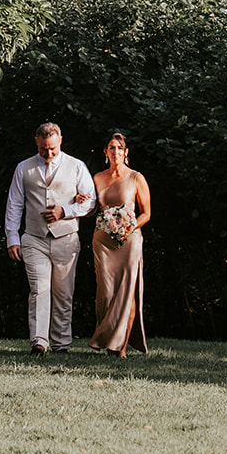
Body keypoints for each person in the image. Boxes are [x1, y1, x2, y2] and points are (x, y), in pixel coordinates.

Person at [5, 122, 96, 354]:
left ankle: (61, 344)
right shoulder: (23, 168)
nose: (49, 153)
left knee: (63, 293)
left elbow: (91, 202)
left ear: (61, 141)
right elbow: (14, 204)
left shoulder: (76, 166)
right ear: (36, 142)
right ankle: (39, 342)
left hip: (66, 237)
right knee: (39, 290)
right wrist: (12, 238)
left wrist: (65, 211)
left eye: (53, 148)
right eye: (44, 148)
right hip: (34, 237)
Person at [86, 132, 149, 356]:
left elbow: (146, 213)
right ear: (105, 152)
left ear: (126, 152)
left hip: (129, 240)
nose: (115, 152)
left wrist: (128, 228)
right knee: (105, 292)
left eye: (120, 148)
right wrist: (81, 200)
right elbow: (91, 210)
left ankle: (120, 347)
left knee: (127, 292)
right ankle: (106, 338)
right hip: (103, 241)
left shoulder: (136, 178)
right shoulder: (97, 178)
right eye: (111, 148)